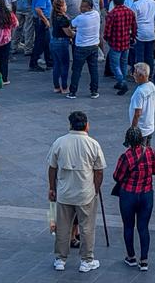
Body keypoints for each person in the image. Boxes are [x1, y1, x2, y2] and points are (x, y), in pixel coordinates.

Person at [46, 110, 106, 273]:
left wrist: (52, 187)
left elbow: (52, 167)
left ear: (70, 125)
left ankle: (60, 259)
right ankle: (86, 260)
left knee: (63, 227)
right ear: (86, 125)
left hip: (65, 192)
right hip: (85, 193)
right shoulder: (93, 144)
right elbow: (99, 170)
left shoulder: (60, 142)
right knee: (87, 227)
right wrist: (95, 188)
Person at [113, 126, 155, 270]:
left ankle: (131, 257)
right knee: (143, 227)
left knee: (128, 226)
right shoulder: (150, 152)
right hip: (146, 194)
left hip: (128, 195)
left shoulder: (126, 156)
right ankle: (144, 260)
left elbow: (117, 176)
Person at [68, 0, 102, 99]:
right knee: (93, 70)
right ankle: (94, 91)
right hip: (94, 46)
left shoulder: (80, 18)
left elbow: (72, 24)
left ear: (89, 7)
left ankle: (72, 92)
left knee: (77, 70)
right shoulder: (96, 14)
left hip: (81, 47)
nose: (81, 8)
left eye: (83, 7)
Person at [128, 63, 155, 143]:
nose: (133, 75)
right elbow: (154, 103)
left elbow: (137, 113)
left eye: (135, 73)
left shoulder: (139, 92)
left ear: (142, 76)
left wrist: (133, 129)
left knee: (139, 153)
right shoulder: (151, 86)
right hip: (149, 126)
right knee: (147, 151)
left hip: (141, 130)